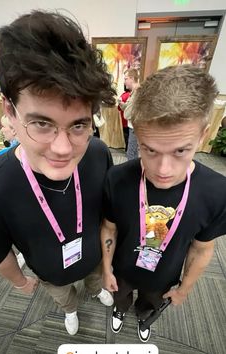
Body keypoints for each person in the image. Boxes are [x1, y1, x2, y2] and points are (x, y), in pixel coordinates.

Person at [0, 10, 116, 336]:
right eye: (42, 123)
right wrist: (18, 282)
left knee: (93, 284)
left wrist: (106, 260)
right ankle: (71, 311)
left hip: (92, 260)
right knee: (64, 299)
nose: (62, 149)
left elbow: (105, 215)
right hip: (49, 274)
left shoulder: (99, 153)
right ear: (10, 113)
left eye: (78, 125)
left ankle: (93, 290)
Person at [101, 65, 226, 343]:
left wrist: (184, 289)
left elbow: (203, 248)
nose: (164, 169)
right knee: (120, 298)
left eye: (180, 150)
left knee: (150, 303)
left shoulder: (217, 191)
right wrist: (106, 268)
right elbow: (108, 229)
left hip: (164, 275)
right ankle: (120, 311)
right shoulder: (117, 178)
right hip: (122, 268)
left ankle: (144, 317)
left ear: (203, 134)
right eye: (150, 149)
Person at [123, 68, 140, 160]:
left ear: (132, 78)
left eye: (126, 79)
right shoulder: (134, 92)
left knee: (131, 154)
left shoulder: (137, 92)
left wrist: (125, 108)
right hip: (133, 126)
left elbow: (127, 114)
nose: (125, 82)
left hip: (134, 127)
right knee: (133, 153)